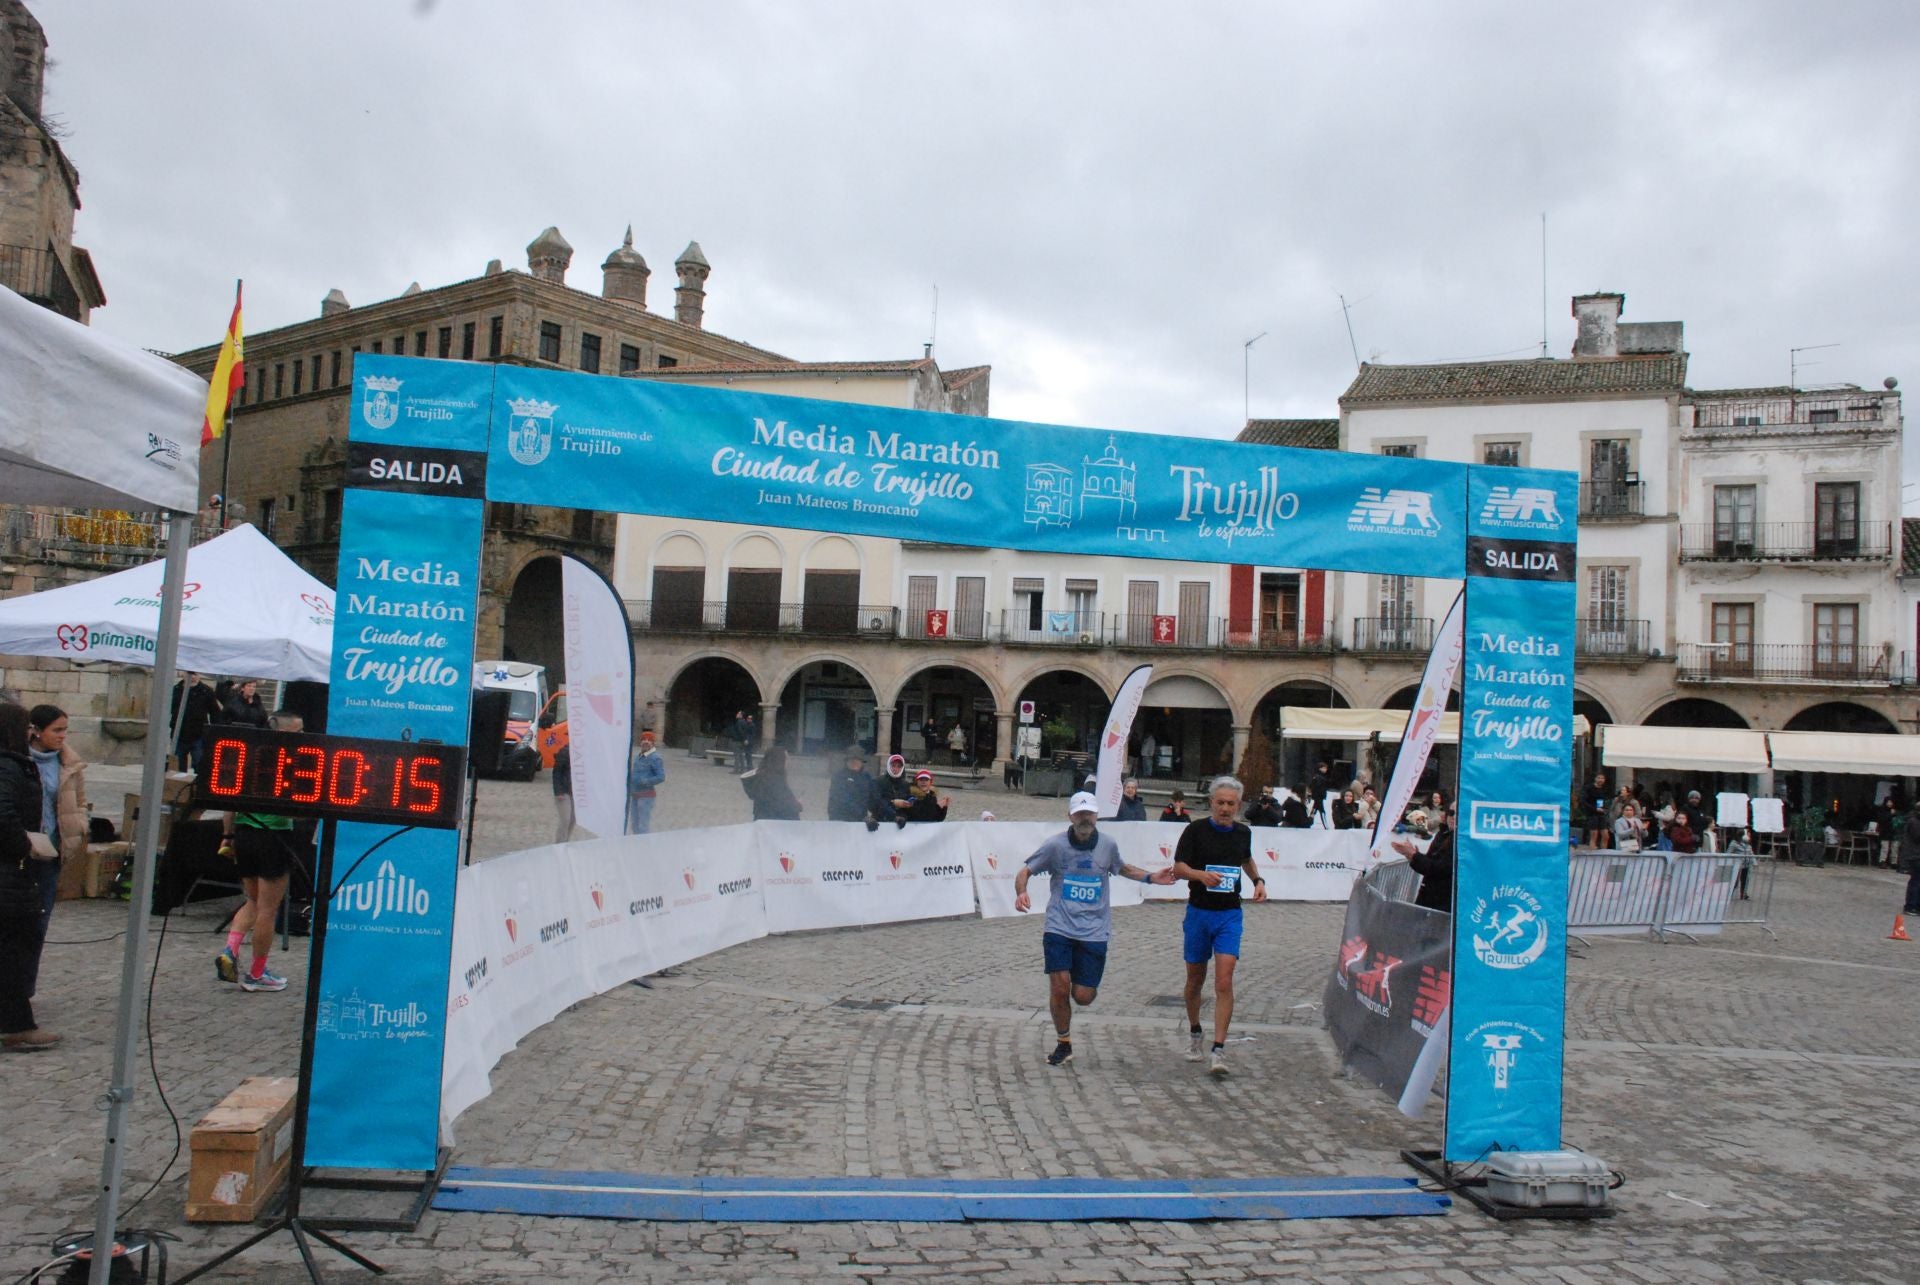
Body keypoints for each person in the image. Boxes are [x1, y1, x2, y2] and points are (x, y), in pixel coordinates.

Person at [1014, 791, 1175, 1067]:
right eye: (1079, 814)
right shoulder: (1055, 846)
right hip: (1059, 927)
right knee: (1060, 987)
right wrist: (1021, 892)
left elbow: (1121, 868)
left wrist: (1151, 877)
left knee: (1083, 996)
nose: (1084, 819)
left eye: (1089, 814)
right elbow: (1025, 871)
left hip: (1094, 931)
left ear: (1097, 816)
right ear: (1070, 816)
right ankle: (1063, 1043)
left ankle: (1080, 986)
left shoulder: (1108, 845)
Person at [1169, 776, 1266, 1077]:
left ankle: (1219, 1049)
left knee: (1224, 980)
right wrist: (1199, 875)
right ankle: (1196, 1032)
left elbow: (1246, 859)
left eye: (1231, 804)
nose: (1225, 808)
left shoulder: (1242, 832)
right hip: (1199, 912)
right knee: (1195, 980)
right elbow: (1178, 868)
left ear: (1239, 805)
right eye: (1220, 803)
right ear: (1211, 802)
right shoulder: (1195, 830)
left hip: (1229, 915)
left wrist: (1258, 881)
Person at [216, 710, 306, 992]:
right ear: (282, 732)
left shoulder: (248, 756)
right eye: (298, 731)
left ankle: (230, 950)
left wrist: (228, 838)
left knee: (252, 900)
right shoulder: (292, 761)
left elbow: (228, 804)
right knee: (268, 909)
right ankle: (256, 974)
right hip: (274, 837)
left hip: (244, 834)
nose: (304, 736)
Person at [1, 702, 57, 1050]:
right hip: (10, 874)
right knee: (12, 951)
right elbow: (3, 814)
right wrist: (24, 844)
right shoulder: (8, 767)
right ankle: (16, 1025)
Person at [24, 706, 85, 999]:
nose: (63, 736)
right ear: (37, 730)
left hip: (52, 853)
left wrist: (78, 826)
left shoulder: (68, 763)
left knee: (39, 923)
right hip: (21, 852)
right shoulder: (19, 761)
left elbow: (80, 801)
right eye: (57, 730)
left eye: (65, 730)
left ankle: (25, 990)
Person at [1393, 802, 1455, 913]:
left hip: (1443, 902)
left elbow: (1441, 868)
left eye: (1459, 814)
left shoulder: (1459, 840)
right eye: (1451, 813)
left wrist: (1414, 855)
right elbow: (1431, 862)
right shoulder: (1443, 834)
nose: (1454, 817)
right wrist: (1412, 855)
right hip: (1431, 897)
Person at [169, 671, 218, 773]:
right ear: (183, 674)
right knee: (178, 766)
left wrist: (213, 732)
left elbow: (215, 712)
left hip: (198, 734)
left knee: (199, 764)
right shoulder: (176, 690)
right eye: (189, 674)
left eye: (195, 674)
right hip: (179, 733)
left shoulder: (206, 691)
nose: (192, 677)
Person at [741, 746, 802, 821]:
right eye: (786, 759)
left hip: (762, 821)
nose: (788, 762)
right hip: (775, 824)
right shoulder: (774, 781)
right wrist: (797, 805)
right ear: (778, 760)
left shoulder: (762, 777)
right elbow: (783, 806)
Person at [828, 746, 883, 826]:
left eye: (857, 760)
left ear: (862, 762)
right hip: (839, 821)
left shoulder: (866, 777)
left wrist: (892, 816)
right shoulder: (838, 777)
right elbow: (842, 800)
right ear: (846, 761)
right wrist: (863, 817)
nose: (854, 762)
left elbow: (875, 799)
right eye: (851, 759)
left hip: (860, 824)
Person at [627, 731, 666, 834]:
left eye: (649, 740)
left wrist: (645, 781)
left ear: (652, 743)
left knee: (643, 826)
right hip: (635, 795)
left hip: (646, 797)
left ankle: (645, 848)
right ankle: (637, 847)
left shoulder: (655, 758)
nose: (646, 742)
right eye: (644, 739)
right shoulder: (639, 756)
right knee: (634, 825)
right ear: (640, 742)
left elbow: (661, 777)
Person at [877, 753, 914, 823]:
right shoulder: (879, 781)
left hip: (900, 822)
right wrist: (892, 803)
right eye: (893, 766)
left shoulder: (905, 784)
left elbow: (906, 806)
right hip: (882, 820)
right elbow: (876, 802)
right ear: (888, 766)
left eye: (899, 766)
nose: (896, 769)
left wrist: (910, 803)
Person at [1899, 807, 1920, 927]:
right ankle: (1911, 905)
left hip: (1915, 854)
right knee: (1916, 881)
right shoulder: (1914, 821)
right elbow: (1917, 837)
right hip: (1915, 855)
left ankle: (1916, 904)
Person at [551, 742, 574, 844]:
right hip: (564, 790)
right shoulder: (565, 752)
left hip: (574, 792)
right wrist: (558, 791)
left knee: (573, 820)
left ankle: (565, 841)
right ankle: (559, 843)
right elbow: (557, 773)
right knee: (565, 819)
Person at [1584, 772, 1612, 849]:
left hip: (1601, 813)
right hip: (1592, 813)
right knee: (1594, 834)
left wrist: (1604, 808)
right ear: (1595, 779)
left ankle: (1603, 853)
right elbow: (1584, 801)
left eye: (1602, 778)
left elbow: (1605, 800)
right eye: (1599, 778)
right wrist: (1594, 808)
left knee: (1606, 835)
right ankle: (1592, 851)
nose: (1600, 780)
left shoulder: (1604, 789)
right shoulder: (1589, 788)